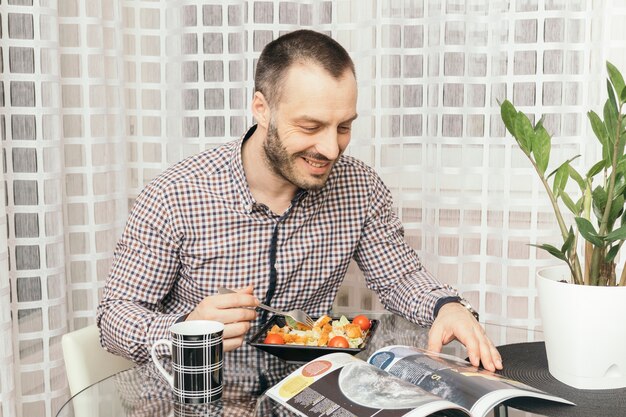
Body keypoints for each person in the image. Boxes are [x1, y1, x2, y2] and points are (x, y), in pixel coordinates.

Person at [97, 29, 502, 373]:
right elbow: (114, 317)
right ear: (262, 109)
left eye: (343, 127)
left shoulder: (359, 187)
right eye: (310, 126)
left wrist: (447, 306)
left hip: (305, 392)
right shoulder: (175, 194)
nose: (330, 148)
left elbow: (399, 278)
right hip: (194, 396)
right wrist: (186, 328)